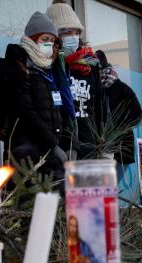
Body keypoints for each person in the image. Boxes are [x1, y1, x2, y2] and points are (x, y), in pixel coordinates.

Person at [0, 12, 73, 181]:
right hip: (25, 158)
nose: (49, 44)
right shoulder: (19, 70)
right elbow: (26, 111)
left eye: (53, 41)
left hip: (48, 157)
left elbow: (57, 112)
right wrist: (53, 146)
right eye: (45, 39)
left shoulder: (49, 71)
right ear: (32, 39)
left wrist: (67, 144)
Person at [47, 0, 107, 159]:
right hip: (62, 148)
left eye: (76, 32)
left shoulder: (90, 63)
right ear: (55, 36)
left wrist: (104, 139)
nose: (73, 37)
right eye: (67, 32)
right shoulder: (49, 67)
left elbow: (100, 104)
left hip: (89, 144)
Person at [96, 50, 142, 185]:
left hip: (121, 148)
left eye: (97, 69)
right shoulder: (92, 89)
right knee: (98, 191)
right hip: (96, 148)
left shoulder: (122, 89)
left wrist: (115, 129)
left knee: (109, 189)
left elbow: (137, 114)